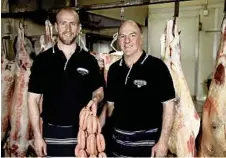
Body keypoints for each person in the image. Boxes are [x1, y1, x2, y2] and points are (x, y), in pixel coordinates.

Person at [28, 7, 104, 157]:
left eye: (72, 24)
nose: (68, 29)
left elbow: (99, 90)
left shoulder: (89, 60)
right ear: (56, 26)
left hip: (83, 135)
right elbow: (33, 99)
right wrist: (37, 136)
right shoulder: (43, 60)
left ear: (79, 28)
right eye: (63, 23)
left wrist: (96, 99)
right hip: (51, 134)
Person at [99, 20, 175, 157]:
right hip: (117, 145)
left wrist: (163, 142)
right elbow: (110, 106)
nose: (127, 40)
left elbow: (169, 105)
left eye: (132, 35)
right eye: (122, 36)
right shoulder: (114, 70)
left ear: (141, 38)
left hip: (146, 146)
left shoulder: (157, 67)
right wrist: (95, 129)